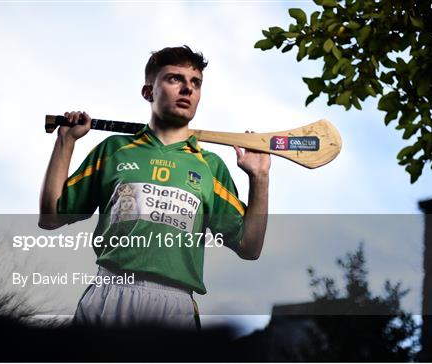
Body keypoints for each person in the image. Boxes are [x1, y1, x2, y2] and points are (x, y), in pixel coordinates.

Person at [38, 46, 270, 331]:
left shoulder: (210, 166)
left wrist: (259, 178)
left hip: (174, 305)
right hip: (110, 293)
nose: (187, 88)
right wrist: (66, 142)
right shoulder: (114, 150)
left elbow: (250, 247)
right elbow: (50, 218)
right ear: (148, 92)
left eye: (195, 83)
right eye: (175, 79)